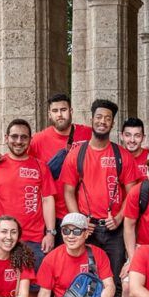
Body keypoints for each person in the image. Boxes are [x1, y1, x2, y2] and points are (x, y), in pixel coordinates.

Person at [60, 98, 139, 297]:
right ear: (92, 118)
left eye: (107, 118)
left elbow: (132, 191)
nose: (102, 121)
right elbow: (68, 191)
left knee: (113, 281)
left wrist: (120, 216)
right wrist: (80, 222)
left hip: (113, 227)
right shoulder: (77, 153)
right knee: (86, 281)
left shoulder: (121, 154)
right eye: (99, 117)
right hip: (87, 229)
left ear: (112, 123)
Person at [0, 118, 55, 270]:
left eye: (24, 137)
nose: (18, 141)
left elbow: (48, 200)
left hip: (33, 239)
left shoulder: (40, 167)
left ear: (30, 140)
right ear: (6, 138)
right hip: (1, 238)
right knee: (0, 287)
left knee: (34, 290)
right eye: (14, 136)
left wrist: (50, 233)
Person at [29, 93, 93, 226]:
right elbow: (20, 162)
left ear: (71, 111)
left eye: (63, 110)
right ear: (49, 114)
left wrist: (142, 150)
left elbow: (110, 153)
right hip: (54, 214)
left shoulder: (88, 134)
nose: (59, 114)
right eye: (55, 111)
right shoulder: (38, 140)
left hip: (86, 211)